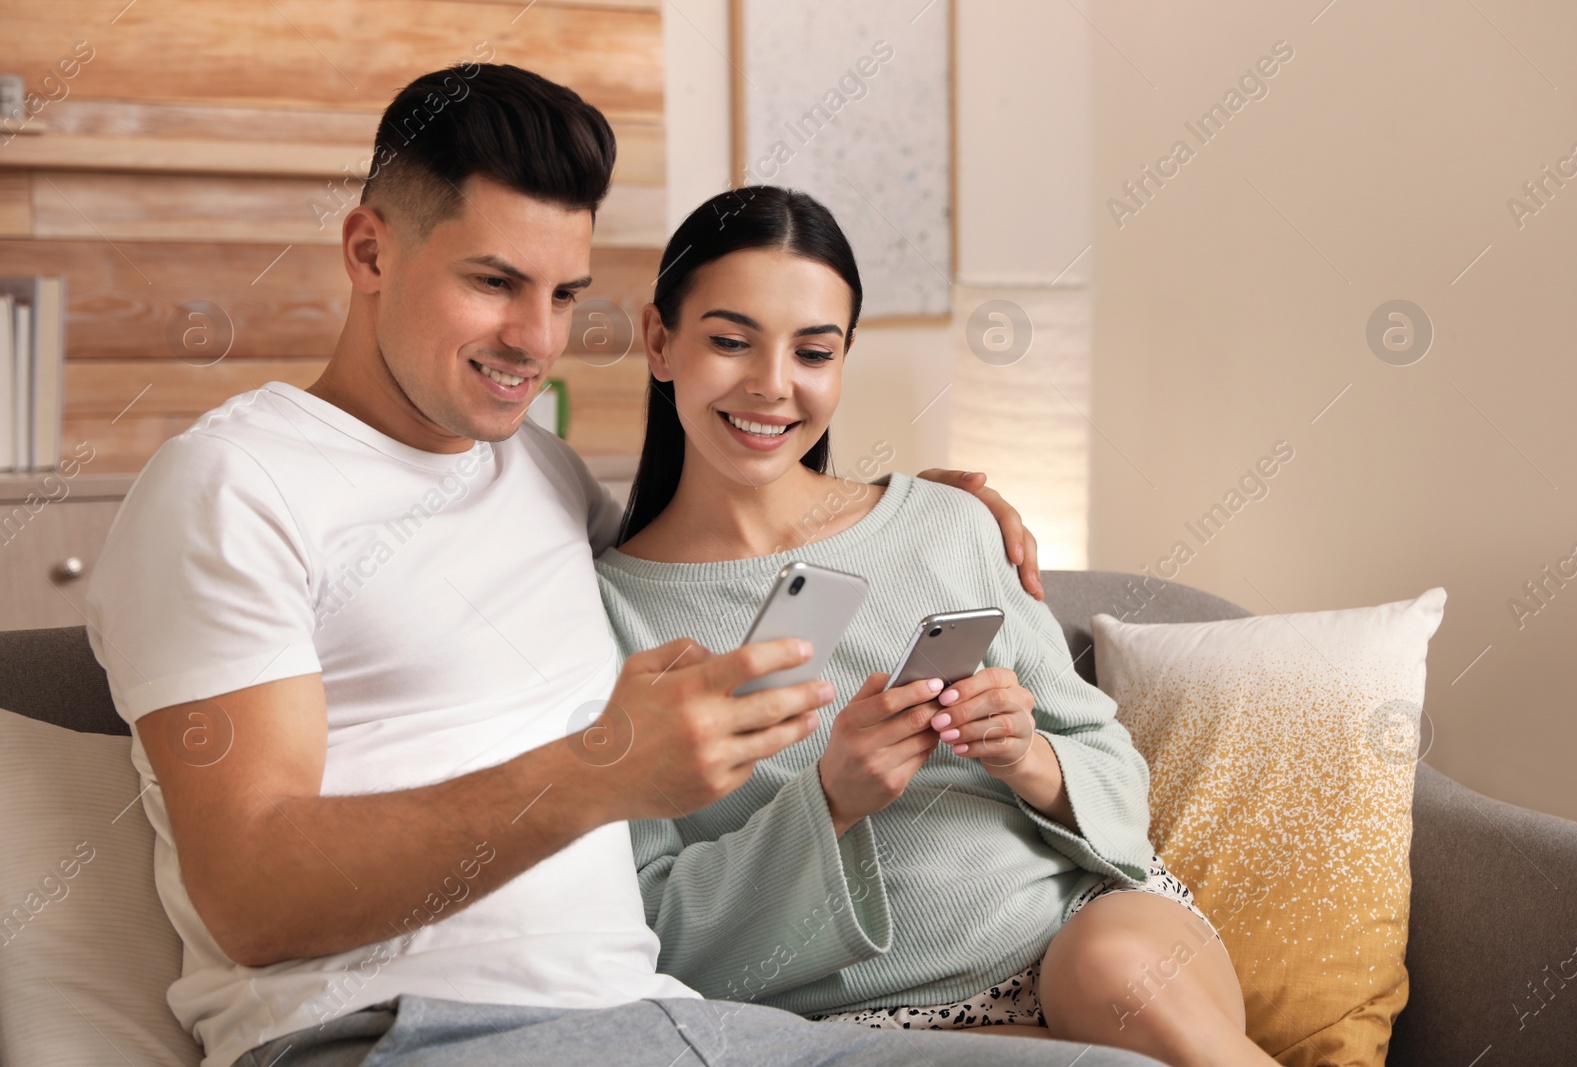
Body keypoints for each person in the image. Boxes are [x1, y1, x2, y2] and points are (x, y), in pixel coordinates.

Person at [82, 64, 1165, 1067]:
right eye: (495, 281)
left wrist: (919, 507)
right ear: (369, 251)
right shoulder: (230, 485)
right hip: (405, 1031)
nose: (534, 339)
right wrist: (598, 768)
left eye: (561, 293)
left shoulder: (538, 474)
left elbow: (710, 533)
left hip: (664, 1018)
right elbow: (253, 893)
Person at [596, 185, 1276, 1067]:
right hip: (860, 1025)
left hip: (1081, 931)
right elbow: (654, 922)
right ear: (659, 340)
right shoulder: (610, 613)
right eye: (730, 341)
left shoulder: (947, 524)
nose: (772, 384)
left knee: (1115, 974)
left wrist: (1025, 754)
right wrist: (830, 799)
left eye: (813, 350)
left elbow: (1113, 775)